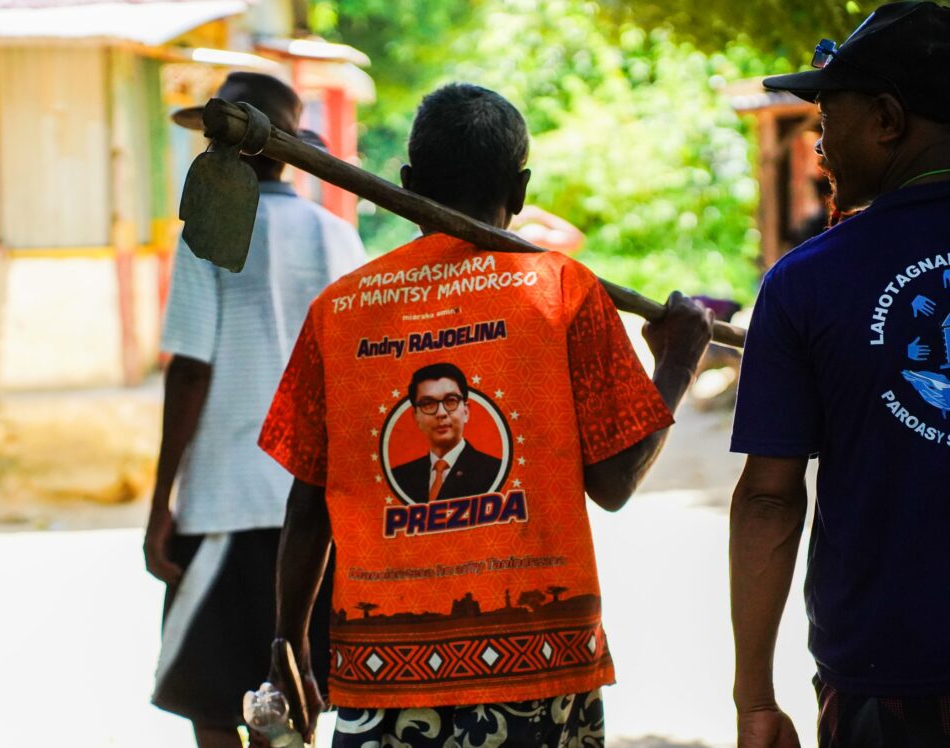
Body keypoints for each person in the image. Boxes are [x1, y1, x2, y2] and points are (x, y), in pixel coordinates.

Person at [257, 82, 714, 746]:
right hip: (540, 674)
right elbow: (613, 483)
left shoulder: (340, 312)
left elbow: (309, 502)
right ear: (521, 189)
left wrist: (289, 637)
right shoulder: (563, 290)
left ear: (409, 184)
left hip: (384, 677)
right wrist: (676, 361)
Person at [729, 1, 950, 747]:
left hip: (890, 690)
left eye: (827, 114)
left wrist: (755, 700)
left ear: (887, 120)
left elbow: (770, 503)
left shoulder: (805, 282)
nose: (818, 141)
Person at [143, 72, 366, 748]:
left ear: (233, 144)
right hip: (319, 510)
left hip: (227, 502)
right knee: (290, 696)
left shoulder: (211, 233)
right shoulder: (340, 239)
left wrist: (160, 502)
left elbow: (190, 370)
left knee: (213, 704)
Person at [390, 362, 504, 503]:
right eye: (428, 404)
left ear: (466, 411)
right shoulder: (400, 477)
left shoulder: (494, 471)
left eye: (451, 401)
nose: (441, 413)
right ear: (416, 417)